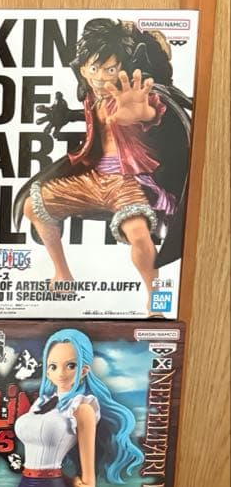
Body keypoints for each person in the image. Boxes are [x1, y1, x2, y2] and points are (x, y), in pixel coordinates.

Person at [17, 18, 192, 311]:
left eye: (110, 69)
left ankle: (156, 301)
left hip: (126, 182)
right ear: (83, 69)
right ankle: (63, 275)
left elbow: (150, 113)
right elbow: (95, 123)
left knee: (138, 234)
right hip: (94, 179)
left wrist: (142, 112)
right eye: (94, 69)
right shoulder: (91, 98)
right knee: (33, 207)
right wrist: (66, 116)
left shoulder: (131, 96)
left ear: (122, 68)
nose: (100, 77)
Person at [8, 328, 143, 487]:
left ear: (84, 370)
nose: (60, 373)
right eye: (53, 366)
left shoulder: (82, 408)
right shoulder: (41, 403)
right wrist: (70, 481)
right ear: (47, 371)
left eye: (70, 365)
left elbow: (88, 475)